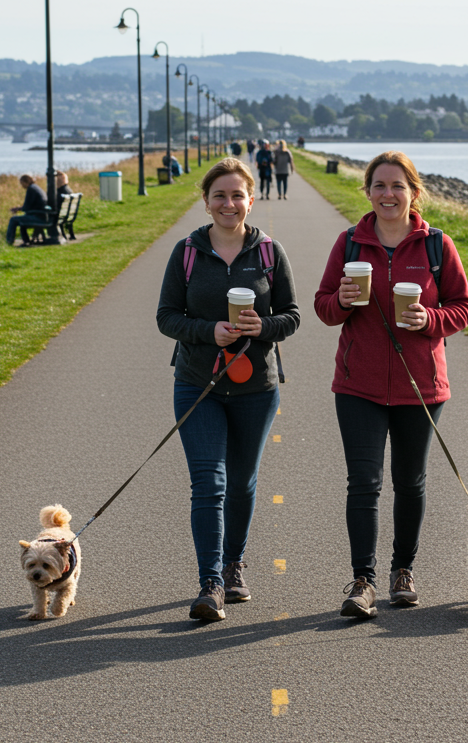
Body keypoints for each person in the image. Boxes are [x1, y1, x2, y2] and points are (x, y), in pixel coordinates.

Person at [313, 151, 468, 618]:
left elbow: (463, 307)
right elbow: (323, 308)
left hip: (420, 385)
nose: (388, 194)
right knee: (363, 484)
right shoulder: (349, 244)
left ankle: (402, 572)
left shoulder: (436, 246)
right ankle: (362, 581)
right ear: (367, 192)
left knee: (410, 482)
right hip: (357, 385)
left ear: (414, 192)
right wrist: (341, 301)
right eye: (379, 185)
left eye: (397, 186)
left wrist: (431, 318)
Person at [157, 157, 300, 622]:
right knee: (209, 484)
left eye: (237, 195)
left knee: (241, 482)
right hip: (198, 384)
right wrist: (206, 331)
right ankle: (211, 582)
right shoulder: (187, 252)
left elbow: (293, 316)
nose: (229, 203)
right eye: (220, 195)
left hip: (257, 386)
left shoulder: (269, 253)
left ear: (251, 201)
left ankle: (234, 563)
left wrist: (262, 327)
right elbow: (167, 317)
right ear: (205, 201)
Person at [6, 174, 49, 246]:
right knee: (22, 218)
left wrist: (17, 209)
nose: (22, 186)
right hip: (43, 215)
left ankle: (9, 241)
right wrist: (20, 209)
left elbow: (26, 207)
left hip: (39, 217)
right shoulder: (36, 188)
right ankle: (26, 240)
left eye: (22, 184)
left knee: (13, 219)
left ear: (25, 182)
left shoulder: (31, 189)